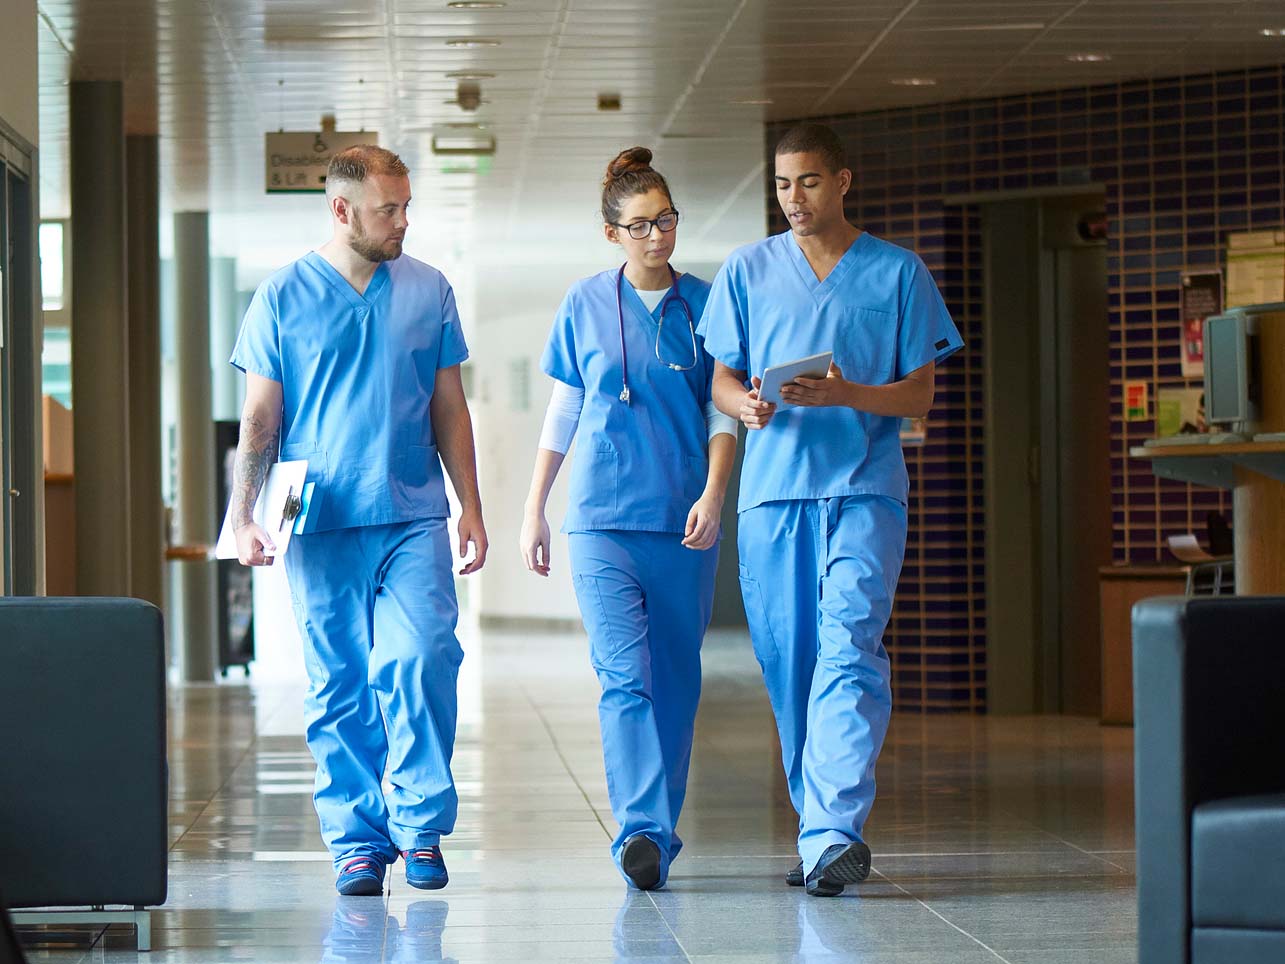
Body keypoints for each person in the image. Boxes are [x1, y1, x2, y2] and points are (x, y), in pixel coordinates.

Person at [699, 123, 963, 897]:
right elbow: (718, 380)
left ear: (842, 181)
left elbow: (918, 394)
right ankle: (818, 828)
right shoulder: (748, 269)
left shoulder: (897, 272)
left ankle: (834, 832)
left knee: (849, 649)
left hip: (863, 489)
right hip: (773, 497)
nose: (794, 200)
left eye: (808, 182)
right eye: (782, 186)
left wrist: (846, 392)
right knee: (792, 670)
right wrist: (743, 405)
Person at [229, 145, 488, 896]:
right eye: (389, 208)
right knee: (338, 683)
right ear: (342, 211)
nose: (403, 220)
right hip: (320, 515)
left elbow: (449, 405)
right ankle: (356, 840)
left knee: (421, 657)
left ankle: (420, 823)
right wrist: (243, 515)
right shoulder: (281, 296)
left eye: (407, 206)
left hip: (411, 510)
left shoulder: (428, 289)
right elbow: (261, 414)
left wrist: (470, 503)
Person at [519, 147, 738, 890]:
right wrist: (535, 508)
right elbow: (566, 405)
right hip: (601, 520)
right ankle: (640, 829)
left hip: (683, 521)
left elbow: (721, 407)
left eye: (666, 220)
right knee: (623, 678)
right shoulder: (583, 302)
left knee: (675, 677)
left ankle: (659, 830)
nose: (656, 237)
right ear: (610, 232)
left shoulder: (708, 304)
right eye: (640, 225)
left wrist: (713, 495)